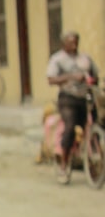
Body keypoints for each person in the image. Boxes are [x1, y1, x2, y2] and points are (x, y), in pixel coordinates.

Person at [46, 30, 99, 183]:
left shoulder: (85, 59)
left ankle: (95, 162)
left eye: (76, 41)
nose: (74, 45)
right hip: (67, 99)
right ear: (64, 44)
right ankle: (64, 164)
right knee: (70, 127)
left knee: (94, 125)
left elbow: (95, 75)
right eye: (71, 42)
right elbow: (51, 79)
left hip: (85, 97)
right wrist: (70, 77)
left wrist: (91, 80)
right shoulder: (58, 59)